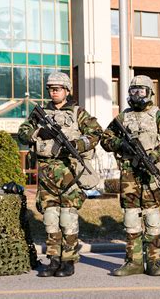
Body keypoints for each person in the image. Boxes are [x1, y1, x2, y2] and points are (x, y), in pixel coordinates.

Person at [18, 72, 103, 277]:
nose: (53, 92)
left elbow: (96, 133)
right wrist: (39, 133)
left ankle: (69, 260)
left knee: (68, 218)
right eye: (50, 89)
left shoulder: (77, 112)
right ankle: (54, 259)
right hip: (47, 175)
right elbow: (22, 132)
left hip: (70, 174)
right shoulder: (40, 113)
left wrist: (76, 144)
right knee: (50, 218)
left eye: (57, 89)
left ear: (66, 90)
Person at [101, 75, 160, 277]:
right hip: (129, 174)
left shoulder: (157, 116)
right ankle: (133, 262)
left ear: (150, 93)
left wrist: (156, 154)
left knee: (152, 217)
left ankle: (154, 262)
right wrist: (120, 144)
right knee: (130, 218)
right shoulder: (123, 117)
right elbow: (105, 139)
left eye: (141, 91)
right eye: (133, 91)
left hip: (150, 174)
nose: (137, 95)